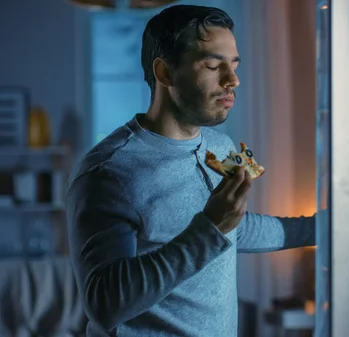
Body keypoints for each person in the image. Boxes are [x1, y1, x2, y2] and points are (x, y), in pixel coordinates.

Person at [66, 5, 315, 337]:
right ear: (165, 73)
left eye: (234, 65)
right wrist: (210, 228)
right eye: (213, 65)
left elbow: (234, 228)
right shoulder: (108, 172)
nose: (233, 80)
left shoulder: (221, 148)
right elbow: (105, 304)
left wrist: (328, 227)